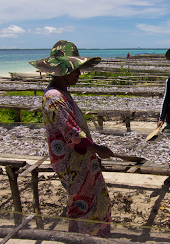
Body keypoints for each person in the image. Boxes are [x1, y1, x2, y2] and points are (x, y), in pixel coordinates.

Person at [30, 40, 114, 237]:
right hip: (72, 163)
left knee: (96, 201)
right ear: (63, 70)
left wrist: (95, 149)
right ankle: (82, 239)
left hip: (82, 159)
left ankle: (88, 238)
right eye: (75, 70)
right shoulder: (53, 97)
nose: (79, 74)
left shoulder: (62, 93)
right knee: (83, 204)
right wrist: (98, 149)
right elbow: (73, 134)